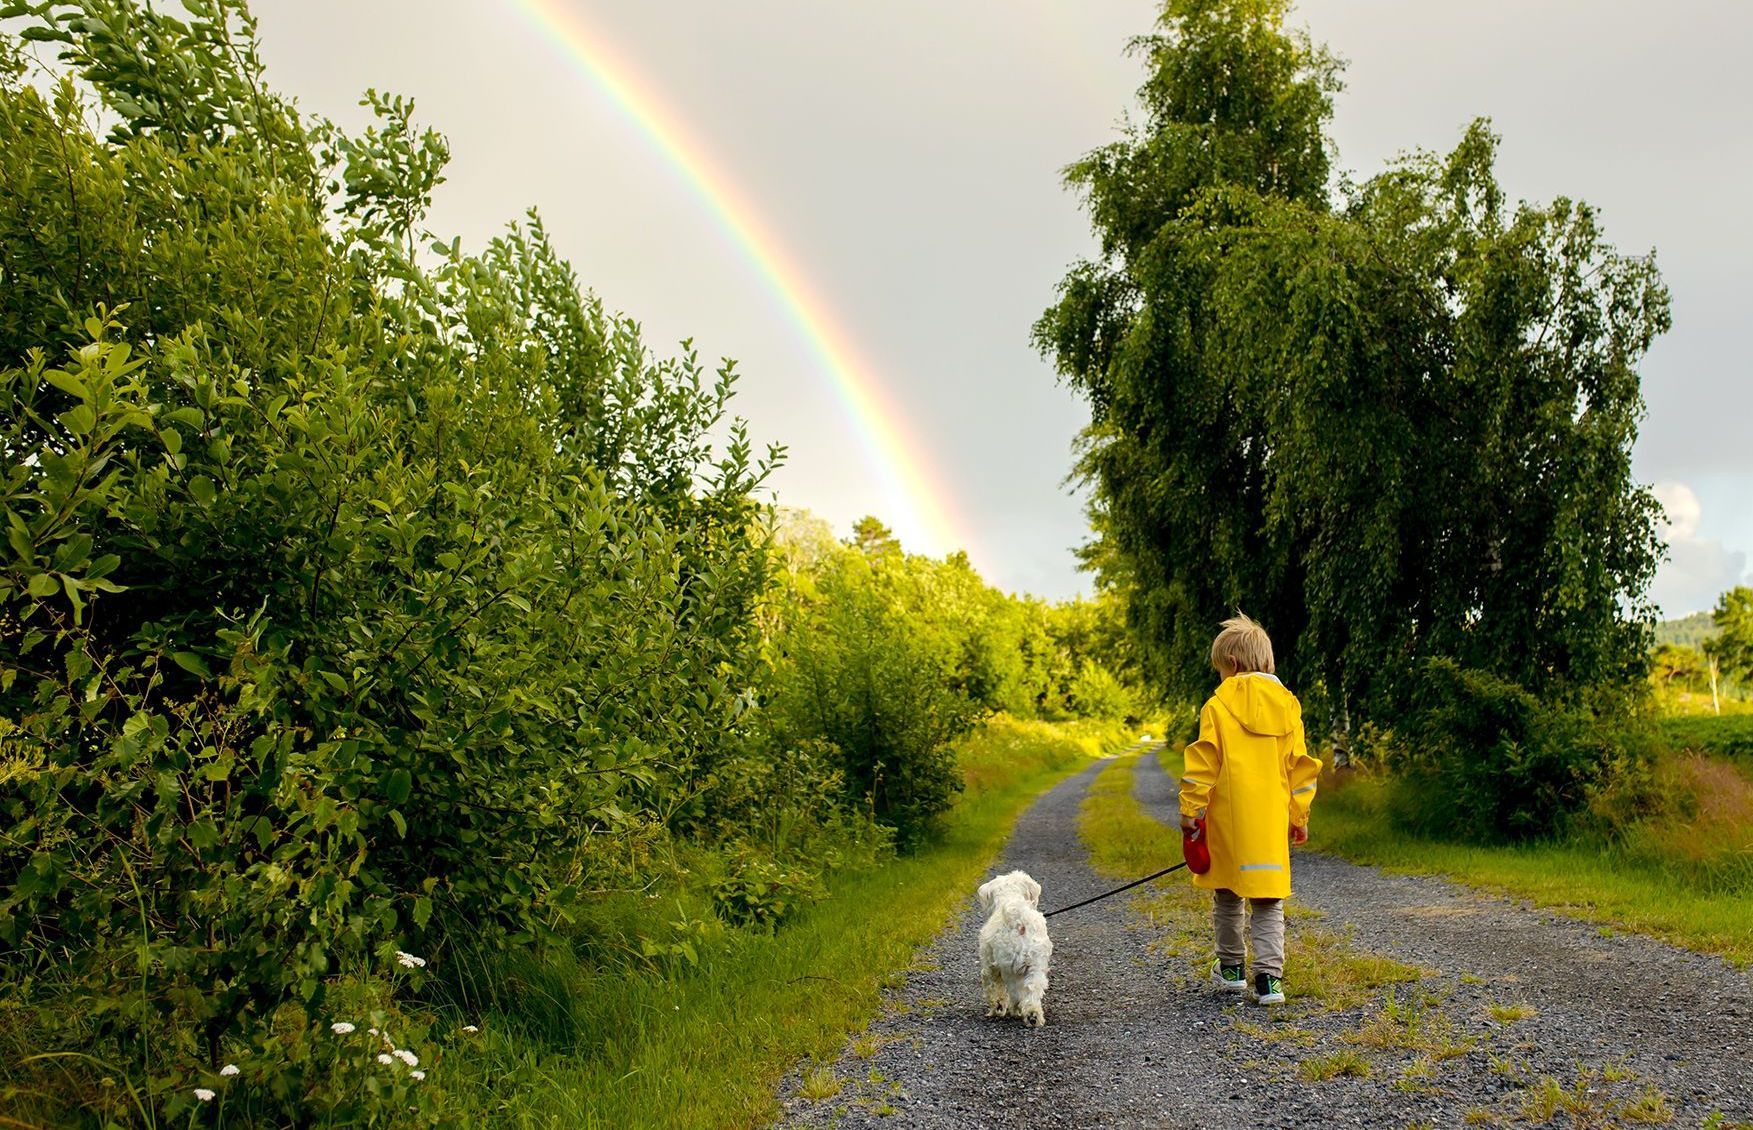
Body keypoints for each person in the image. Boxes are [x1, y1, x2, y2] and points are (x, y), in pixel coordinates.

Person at [1177, 613, 1321, 1005]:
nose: (1220, 677)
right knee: (1268, 899)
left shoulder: (1218, 706)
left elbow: (1203, 761)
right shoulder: (1288, 707)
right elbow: (1300, 767)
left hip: (1228, 822)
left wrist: (1191, 808)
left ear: (1233, 665)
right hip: (1270, 823)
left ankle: (1232, 970)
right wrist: (1299, 815)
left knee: (1227, 895)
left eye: (1221, 669)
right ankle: (1270, 981)